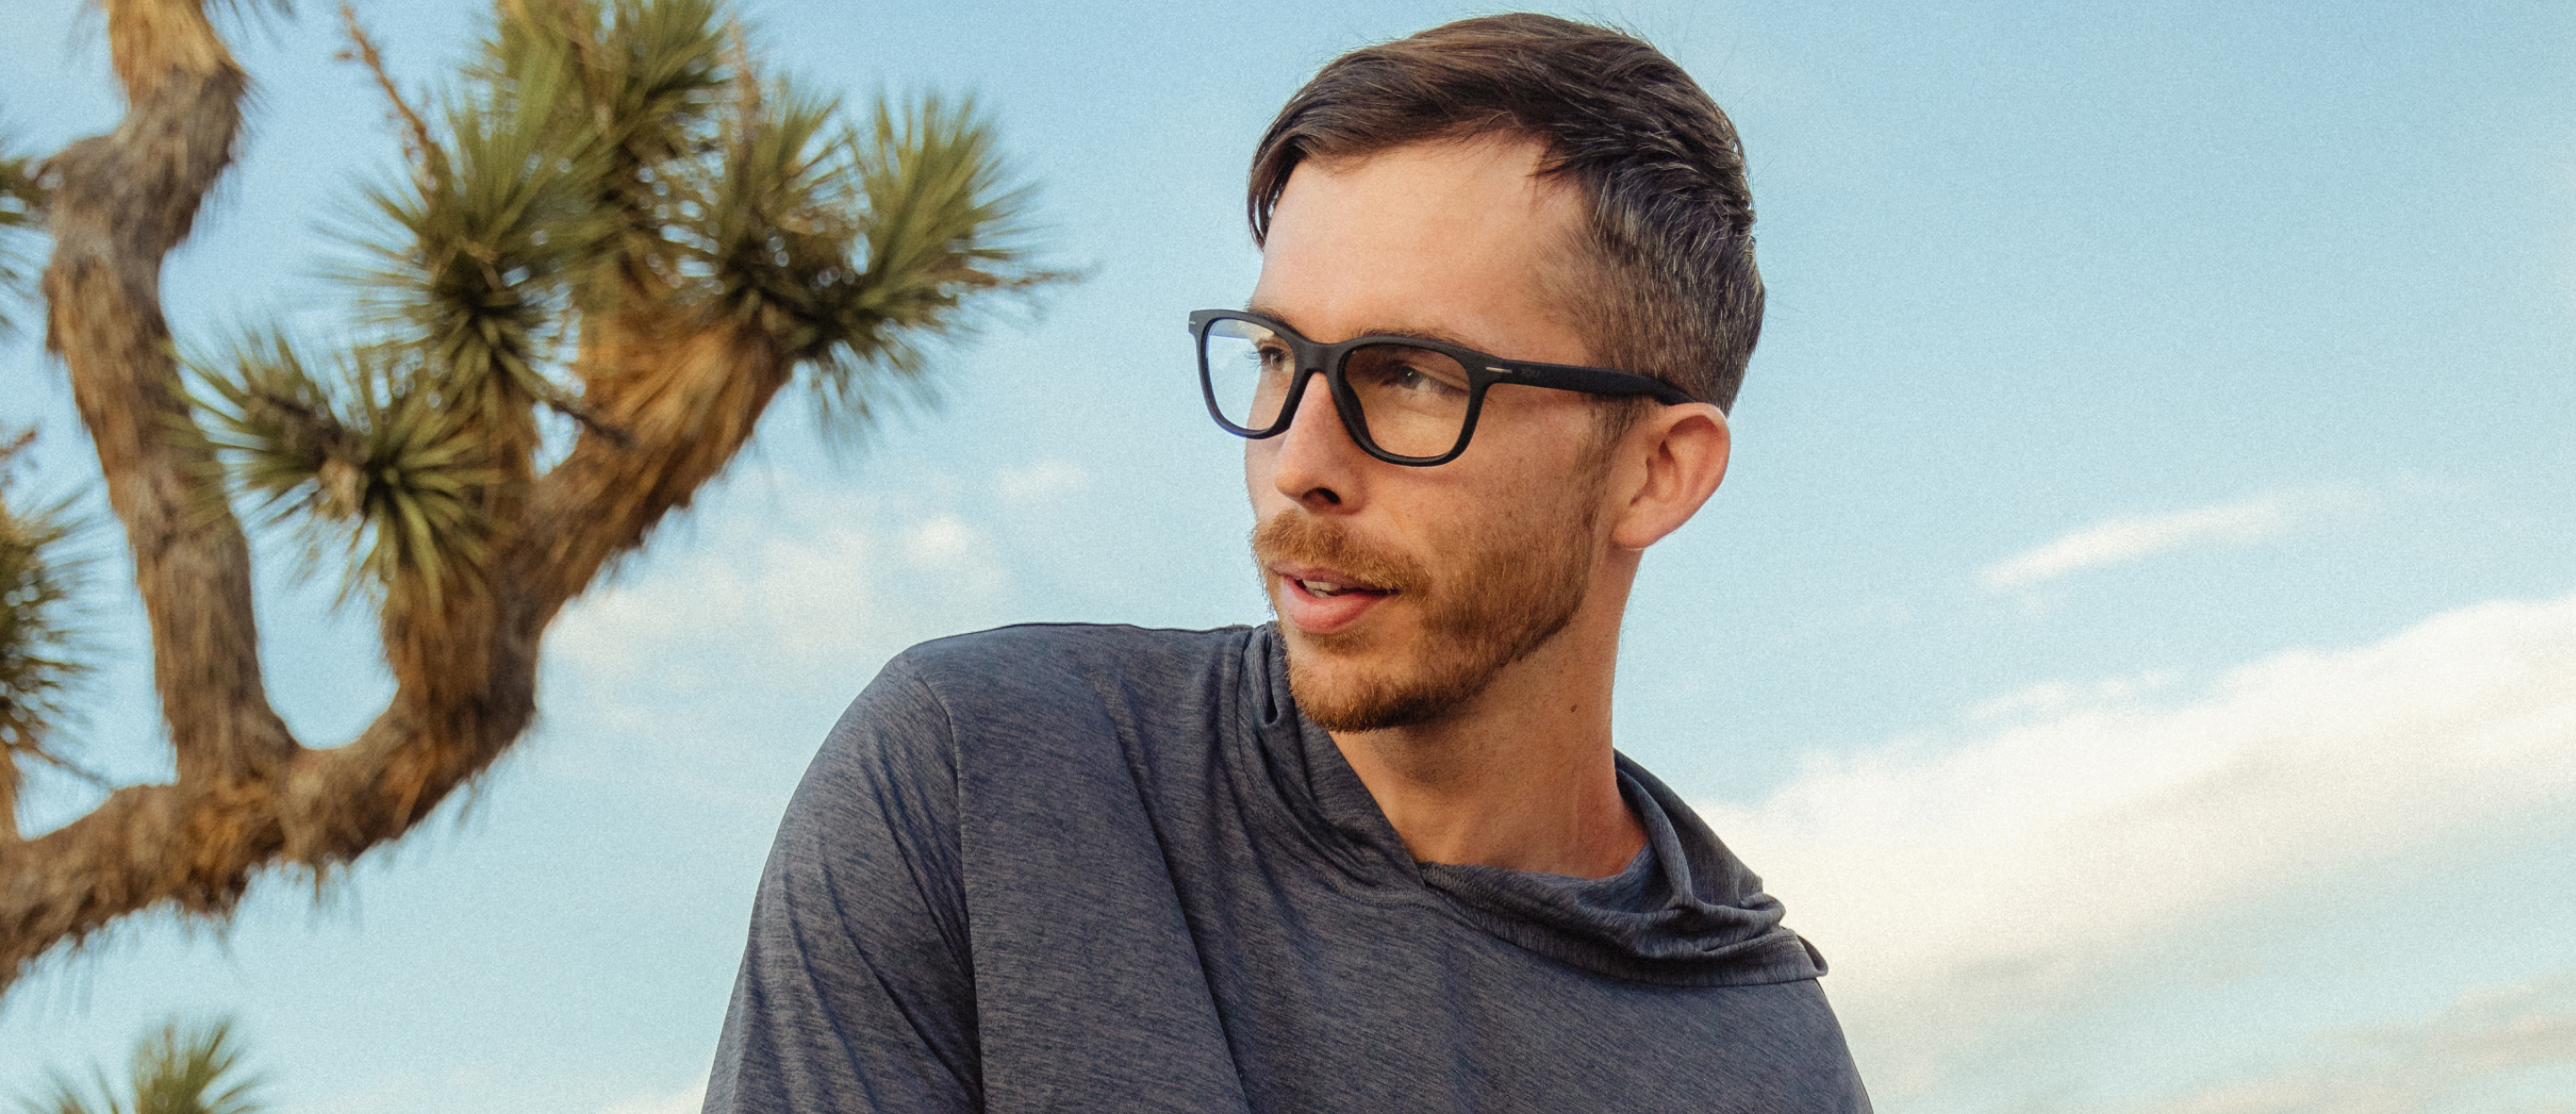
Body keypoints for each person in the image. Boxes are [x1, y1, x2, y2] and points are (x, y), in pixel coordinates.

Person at [704, 13, 1869, 1113]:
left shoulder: (1770, 1059)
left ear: (1657, 472)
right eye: (1275, 354)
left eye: (1411, 374)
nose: (1298, 460)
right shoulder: (974, 775)